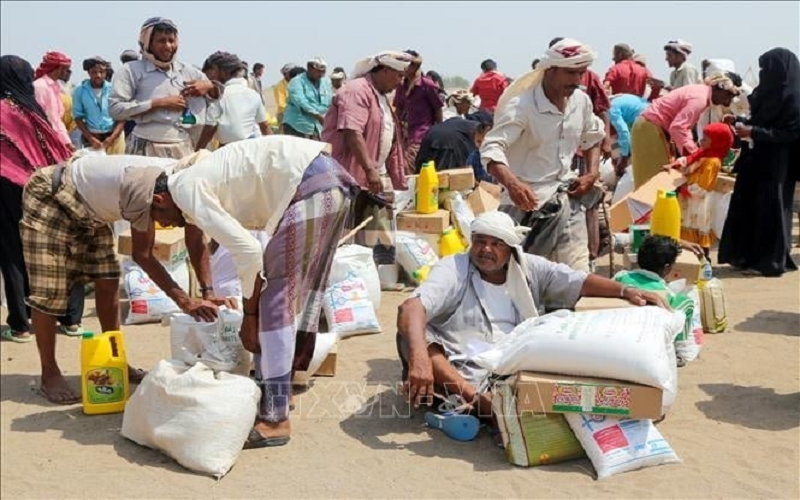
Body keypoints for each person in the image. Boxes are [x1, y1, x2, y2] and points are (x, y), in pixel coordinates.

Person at [151, 135, 359, 447]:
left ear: (159, 200)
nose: (167, 227)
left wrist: (250, 316)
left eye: (160, 220)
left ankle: (275, 420)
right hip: (326, 182)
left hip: (312, 188)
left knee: (275, 302)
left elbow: (249, 253)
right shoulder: (195, 181)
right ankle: (281, 393)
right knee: (293, 293)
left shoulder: (184, 189)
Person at [396, 211, 667, 415]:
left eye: (495, 244)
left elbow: (577, 281)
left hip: (513, 357)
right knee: (414, 334)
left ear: (510, 248)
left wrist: (624, 291)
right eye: (480, 242)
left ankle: (493, 406)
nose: (485, 250)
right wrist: (419, 359)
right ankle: (477, 402)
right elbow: (411, 306)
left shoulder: (529, 268)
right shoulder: (454, 268)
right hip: (461, 364)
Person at [18, 148, 233, 403]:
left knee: (108, 280)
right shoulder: (144, 188)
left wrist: (208, 292)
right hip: (52, 195)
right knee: (50, 291)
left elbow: (196, 242)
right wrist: (184, 301)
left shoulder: (187, 190)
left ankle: (115, 360)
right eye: (169, 220)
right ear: (159, 200)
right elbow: (143, 255)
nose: (169, 226)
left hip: (93, 212)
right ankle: (49, 374)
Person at [480, 38, 605, 273]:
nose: (577, 80)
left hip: (566, 200)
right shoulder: (523, 106)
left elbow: (594, 137)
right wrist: (513, 184)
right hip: (525, 205)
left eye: (581, 73)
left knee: (575, 275)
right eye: (570, 73)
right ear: (550, 70)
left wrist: (592, 173)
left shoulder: (581, 101)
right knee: (519, 277)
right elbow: (491, 148)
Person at [0, 55, 74, 344]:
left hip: (5, 186)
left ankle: (20, 325)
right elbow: (55, 148)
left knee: (12, 255)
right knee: (47, 251)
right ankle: (66, 317)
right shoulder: (33, 111)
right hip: (41, 185)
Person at [321, 51, 412, 263]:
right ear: (385, 70)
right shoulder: (356, 91)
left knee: (375, 228)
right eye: (398, 76)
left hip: (371, 174)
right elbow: (352, 132)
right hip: (348, 174)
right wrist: (370, 170)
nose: (400, 82)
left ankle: (376, 272)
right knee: (344, 230)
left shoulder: (380, 96)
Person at [719, 48, 800, 277]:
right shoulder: (767, 93)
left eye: (767, 69)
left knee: (770, 209)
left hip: (777, 163)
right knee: (749, 204)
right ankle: (746, 255)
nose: (763, 73)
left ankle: (769, 262)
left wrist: (754, 131)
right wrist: (741, 122)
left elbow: (790, 133)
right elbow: (761, 120)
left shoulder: (794, 98)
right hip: (756, 159)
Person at [110, 17, 220, 159]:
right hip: (143, 148)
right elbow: (115, 109)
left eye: (171, 40)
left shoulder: (188, 71)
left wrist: (209, 86)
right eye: (161, 41)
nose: (168, 46)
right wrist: (157, 103)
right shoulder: (131, 71)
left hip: (183, 147)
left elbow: (218, 97)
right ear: (147, 43)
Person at [630, 73, 739, 188]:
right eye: (727, 95)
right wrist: (693, 154)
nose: (727, 102)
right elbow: (678, 127)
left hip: (649, 127)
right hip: (649, 128)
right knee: (654, 180)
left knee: (655, 178)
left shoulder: (700, 92)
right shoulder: (700, 99)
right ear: (718, 89)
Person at [614, 235, 697, 366]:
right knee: (687, 301)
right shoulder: (666, 293)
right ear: (667, 267)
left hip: (619, 331)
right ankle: (679, 350)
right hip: (650, 335)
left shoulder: (620, 277)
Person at [664, 122, 734, 255]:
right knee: (687, 229)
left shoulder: (712, 161)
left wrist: (683, 186)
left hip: (697, 204)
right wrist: (675, 164)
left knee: (696, 230)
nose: (701, 140)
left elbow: (702, 187)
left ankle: (702, 260)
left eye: (706, 139)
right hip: (690, 202)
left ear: (716, 143)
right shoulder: (704, 154)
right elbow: (689, 160)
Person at [195, 51, 270, 150]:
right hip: (251, 148)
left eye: (213, 69)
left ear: (223, 72)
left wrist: (196, 153)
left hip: (228, 150)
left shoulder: (219, 96)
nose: (209, 75)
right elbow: (264, 126)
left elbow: (209, 129)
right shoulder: (253, 94)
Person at [393, 50, 445, 170]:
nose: (403, 69)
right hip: (406, 134)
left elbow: (438, 109)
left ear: (414, 66)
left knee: (410, 165)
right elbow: (399, 109)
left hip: (422, 134)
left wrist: (438, 131)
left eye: (406, 65)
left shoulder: (427, 85)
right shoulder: (401, 86)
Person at [72, 57, 126, 154]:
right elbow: (78, 118)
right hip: (92, 138)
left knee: (114, 167)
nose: (98, 75)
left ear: (106, 73)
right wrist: (91, 138)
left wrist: (112, 137)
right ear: (88, 73)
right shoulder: (80, 91)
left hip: (113, 137)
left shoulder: (114, 90)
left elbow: (122, 116)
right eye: (94, 72)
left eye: (101, 72)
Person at [415, 112, 492, 172]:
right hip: (445, 144)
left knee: (423, 173)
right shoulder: (470, 134)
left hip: (430, 136)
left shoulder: (463, 124)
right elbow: (463, 170)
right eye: (479, 142)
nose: (479, 145)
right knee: (444, 179)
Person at [32, 51, 74, 150]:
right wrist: (66, 142)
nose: (67, 72)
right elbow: (47, 118)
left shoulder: (54, 86)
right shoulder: (40, 86)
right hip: (43, 139)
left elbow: (57, 118)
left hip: (54, 136)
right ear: (58, 69)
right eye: (65, 69)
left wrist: (66, 141)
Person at [283, 58, 332, 140]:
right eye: (318, 71)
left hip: (318, 126)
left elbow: (329, 100)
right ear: (309, 69)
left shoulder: (325, 82)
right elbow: (301, 102)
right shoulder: (296, 82)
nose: (321, 75)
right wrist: (317, 115)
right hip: (298, 125)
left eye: (323, 72)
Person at [608, 93, 649, 176]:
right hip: (644, 114)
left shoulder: (611, 110)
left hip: (647, 118)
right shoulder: (613, 101)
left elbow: (624, 133)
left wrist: (624, 158)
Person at [273, 63, 297, 127]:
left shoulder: (297, 83)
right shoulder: (279, 86)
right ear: (285, 74)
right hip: (284, 115)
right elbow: (281, 103)